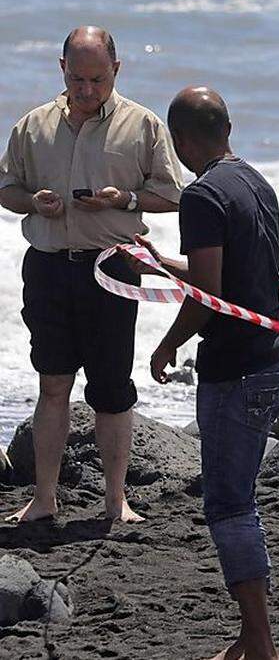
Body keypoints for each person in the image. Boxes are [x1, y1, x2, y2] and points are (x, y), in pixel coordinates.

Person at [0, 26, 184, 524]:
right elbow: (7, 189)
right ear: (61, 68)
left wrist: (122, 199)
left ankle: (115, 499)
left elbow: (172, 195)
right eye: (77, 78)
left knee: (111, 387)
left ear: (116, 71)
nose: (86, 90)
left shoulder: (142, 124)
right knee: (52, 383)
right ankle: (43, 498)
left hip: (113, 269)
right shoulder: (33, 126)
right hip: (49, 268)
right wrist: (31, 201)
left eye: (96, 80)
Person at [134, 86, 279, 660]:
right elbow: (225, 270)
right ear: (228, 127)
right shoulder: (254, 180)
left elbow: (207, 293)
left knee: (229, 504)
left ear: (178, 140)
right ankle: (252, 637)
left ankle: (259, 640)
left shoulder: (200, 195)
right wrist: (153, 259)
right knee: (240, 497)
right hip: (273, 355)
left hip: (238, 370)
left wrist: (165, 345)